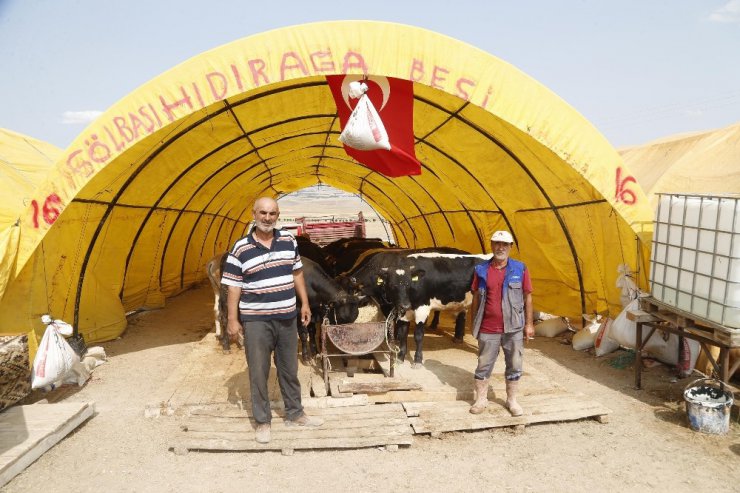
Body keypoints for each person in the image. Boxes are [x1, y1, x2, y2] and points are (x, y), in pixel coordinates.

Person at [222, 197, 323, 444]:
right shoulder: (240, 248)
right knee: (258, 371)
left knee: (289, 368)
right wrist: (233, 319)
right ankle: (263, 421)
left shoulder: (288, 241)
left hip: (287, 316)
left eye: (272, 213)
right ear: (254, 214)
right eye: (263, 213)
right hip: (256, 320)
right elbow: (233, 287)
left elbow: (297, 272)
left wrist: (305, 303)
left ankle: (295, 414)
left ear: (278, 215)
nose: (267, 218)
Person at [469, 230, 534, 416]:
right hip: (488, 327)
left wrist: (529, 324)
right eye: (497, 243)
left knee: (514, 363)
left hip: (513, 327)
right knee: (483, 364)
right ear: (491, 245)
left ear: (511, 247)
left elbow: (527, 296)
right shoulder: (480, 270)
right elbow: (475, 298)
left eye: (505, 244)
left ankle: (512, 400)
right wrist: (473, 323)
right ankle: (481, 400)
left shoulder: (520, 269)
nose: (500, 247)